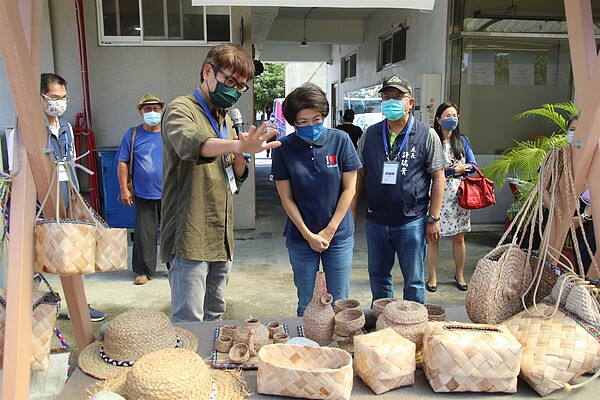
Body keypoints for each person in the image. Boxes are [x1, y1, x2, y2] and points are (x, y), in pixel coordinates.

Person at [161, 43, 280, 323]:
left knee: (215, 313)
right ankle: (188, 367)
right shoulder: (181, 108)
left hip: (220, 233)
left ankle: (211, 365)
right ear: (207, 72)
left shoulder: (225, 118)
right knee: (189, 318)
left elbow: (235, 175)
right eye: (230, 81)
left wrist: (239, 154)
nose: (234, 90)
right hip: (189, 232)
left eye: (240, 87)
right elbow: (192, 144)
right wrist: (235, 143)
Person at [351, 74, 446, 305]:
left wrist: (433, 218)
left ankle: (412, 326)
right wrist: (352, 209)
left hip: (411, 220)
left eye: (397, 96)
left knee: (413, 280)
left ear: (410, 102)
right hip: (376, 220)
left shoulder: (426, 135)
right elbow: (359, 174)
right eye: (386, 97)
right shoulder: (370, 135)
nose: (391, 101)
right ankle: (385, 325)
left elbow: (438, 178)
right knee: (379, 277)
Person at [271, 83, 361, 317]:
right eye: (303, 122)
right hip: (301, 238)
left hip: (338, 236)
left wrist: (330, 230)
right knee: (306, 301)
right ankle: (307, 348)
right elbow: (286, 197)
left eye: (316, 118)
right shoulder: (283, 148)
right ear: (293, 122)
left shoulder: (341, 140)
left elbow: (349, 189)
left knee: (339, 300)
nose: (311, 126)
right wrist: (308, 234)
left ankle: (338, 350)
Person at [34, 73, 106, 322]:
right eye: (54, 97)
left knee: (74, 250)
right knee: (36, 255)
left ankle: (79, 307)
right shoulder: (29, 128)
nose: (59, 103)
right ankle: (33, 309)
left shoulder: (65, 127)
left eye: (63, 98)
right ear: (40, 98)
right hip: (38, 198)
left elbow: (72, 162)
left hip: (67, 193)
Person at [425, 102, 476, 292]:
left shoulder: (463, 141)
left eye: (454, 115)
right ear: (438, 119)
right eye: (447, 116)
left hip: (458, 196)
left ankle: (460, 274)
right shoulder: (432, 140)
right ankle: (432, 276)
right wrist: (452, 170)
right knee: (433, 237)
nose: (451, 119)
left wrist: (460, 170)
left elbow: (472, 165)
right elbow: (428, 170)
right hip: (437, 194)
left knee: (459, 238)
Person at [116, 93, 165, 285]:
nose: (152, 112)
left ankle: (177, 269)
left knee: (174, 233)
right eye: (147, 109)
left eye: (155, 108)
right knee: (144, 234)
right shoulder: (133, 134)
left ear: (161, 110)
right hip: (143, 193)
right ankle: (143, 271)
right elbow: (122, 163)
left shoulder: (169, 133)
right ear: (140, 112)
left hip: (169, 193)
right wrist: (124, 190)